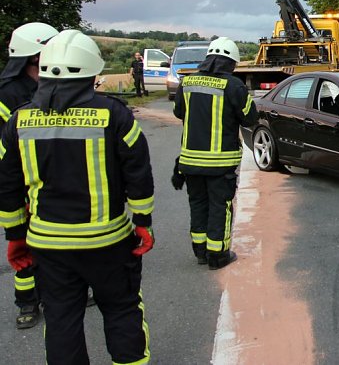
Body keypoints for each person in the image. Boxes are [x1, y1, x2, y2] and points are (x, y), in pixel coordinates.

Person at [0, 30, 155, 364]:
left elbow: (7, 187)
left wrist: (15, 237)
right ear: (91, 72)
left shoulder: (18, 121)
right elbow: (139, 174)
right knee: (122, 309)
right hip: (108, 242)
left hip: (48, 245)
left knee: (60, 318)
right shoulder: (115, 115)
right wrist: (143, 222)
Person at [172, 37, 257, 269]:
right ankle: (218, 256)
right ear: (231, 63)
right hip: (220, 163)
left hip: (190, 161)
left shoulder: (187, 82)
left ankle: (200, 252)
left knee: (198, 204)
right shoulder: (234, 85)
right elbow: (250, 118)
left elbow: (178, 112)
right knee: (220, 207)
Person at [0, 22, 58, 330]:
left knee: (59, 241)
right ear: (34, 56)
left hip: (54, 178)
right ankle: (27, 301)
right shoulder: (7, 95)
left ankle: (62, 290)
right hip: (21, 182)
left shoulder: (58, 85)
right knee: (21, 245)